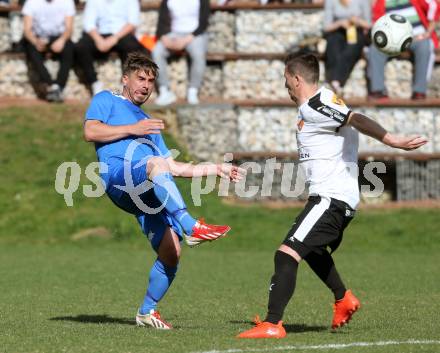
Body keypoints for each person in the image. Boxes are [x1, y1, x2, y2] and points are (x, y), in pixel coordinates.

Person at [237, 53, 427, 339]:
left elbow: (355, 118)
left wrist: (392, 141)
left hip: (331, 198)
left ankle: (272, 324)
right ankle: (343, 299)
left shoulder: (318, 104)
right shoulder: (322, 101)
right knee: (312, 250)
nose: (285, 86)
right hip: (334, 197)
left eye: (286, 80)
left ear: (296, 79)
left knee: (286, 255)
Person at [83, 52, 244, 329]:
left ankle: (146, 312)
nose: (145, 85)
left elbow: (171, 167)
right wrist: (134, 129)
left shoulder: (149, 123)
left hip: (144, 190)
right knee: (154, 163)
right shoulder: (106, 100)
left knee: (172, 251)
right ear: (125, 78)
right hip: (118, 179)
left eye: (151, 81)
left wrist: (215, 168)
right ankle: (191, 226)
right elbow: (91, 132)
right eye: (140, 78)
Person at [368, 0, 440, 100]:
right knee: (374, 49)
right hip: (391, 41)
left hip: (416, 37)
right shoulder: (381, 2)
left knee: (425, 46)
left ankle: (419, 91)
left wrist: (428, 32)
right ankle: (377, 90)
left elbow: (435, 6)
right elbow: (376, 21)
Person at [75, 0, 148, 96]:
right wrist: (98, 40)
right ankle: (94, 83)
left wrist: (115, 38)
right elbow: (88, 24)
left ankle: (126, 84)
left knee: (132, 47)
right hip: (100, 34)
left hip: (121, 33)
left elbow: (132, 22)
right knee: (81, 47)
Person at [152, 0, 210, 105]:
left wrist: (185, 40)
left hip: (195, 34)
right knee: (157, 52)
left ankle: (193, 91)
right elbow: (161, 23)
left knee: (198, 55)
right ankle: (164, 91)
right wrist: (164, 39)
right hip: (173, 33)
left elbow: (204, 23)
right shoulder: (167, 1)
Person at [22, 0, 75, 102]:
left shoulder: (67, 1)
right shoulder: (31, 2)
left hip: (59, 37)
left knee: (70, 48)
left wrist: (62, 40)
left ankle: (59, 85)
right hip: (37, 37)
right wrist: (35, 41)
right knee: (31, 50)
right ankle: (51, 85)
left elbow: (69, 29)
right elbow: (27, 30)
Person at [324, 0, 371, 96]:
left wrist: (357, 21)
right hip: (337, 31)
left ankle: (335, 81)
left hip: (357, 31)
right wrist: (340, 23)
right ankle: (336, 83)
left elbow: (368, 24)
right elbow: (326, 26)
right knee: (333, 47)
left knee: (350, 50)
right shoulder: (330, 1)